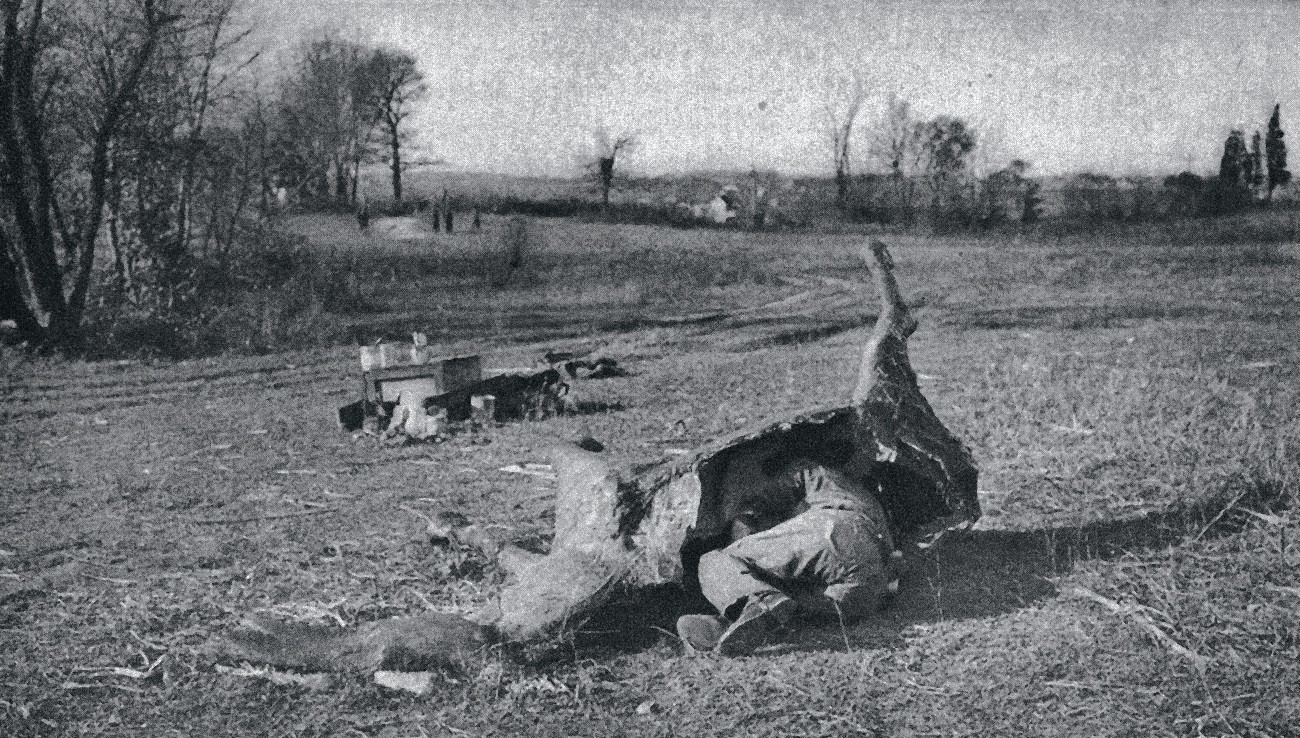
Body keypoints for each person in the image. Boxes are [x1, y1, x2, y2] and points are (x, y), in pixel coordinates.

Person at [676, 456, 898, 656]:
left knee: (714, 562)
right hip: (865, 592)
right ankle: (728, 627)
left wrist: (745, 519)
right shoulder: (871, 504)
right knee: (786, 604)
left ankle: (759, 602)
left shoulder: (818, 475)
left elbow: (774, 494)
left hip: (836, 533)